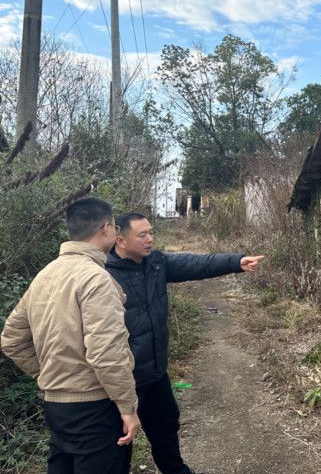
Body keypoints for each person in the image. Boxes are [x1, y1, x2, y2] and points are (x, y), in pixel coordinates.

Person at [105, 212, 264, 474]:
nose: (150, 239)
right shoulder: (103, 274)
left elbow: (197, 264)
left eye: (151, 232)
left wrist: (236, 261)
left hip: (156, 373)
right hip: (123, 379)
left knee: (166, 428)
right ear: (120, 239)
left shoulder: (155, 263)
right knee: (119, 443)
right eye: (142, 234)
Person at [1, 198, 140, 474]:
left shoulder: (46, 274)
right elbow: (106, 353)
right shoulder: (96, 279)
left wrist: (51, 373)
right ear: (105, 228)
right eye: (114, 227)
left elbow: (11, 339)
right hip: (95, 409)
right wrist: (127, 407)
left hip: (55, 406)